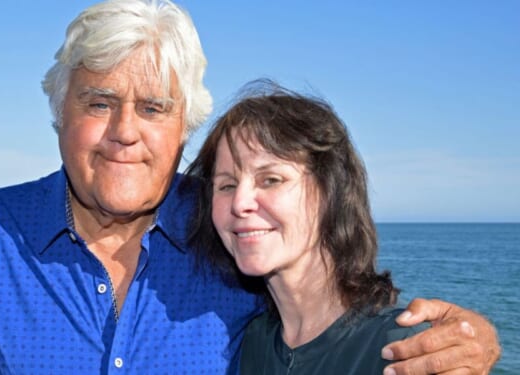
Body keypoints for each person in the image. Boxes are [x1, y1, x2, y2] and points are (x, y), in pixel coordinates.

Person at [0, 0, 500, 374]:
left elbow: (329, 313)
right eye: (99, 102)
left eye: (153, 108)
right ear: (59, 115)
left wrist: (466, 341)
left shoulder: (230, 227)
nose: (125, 133)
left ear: (183, 129)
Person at [186, 80, 437, 374]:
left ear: (330, 191)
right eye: (226, 185)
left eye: (271, 180)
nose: (240, 203)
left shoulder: (403, 349)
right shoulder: (253, 342)